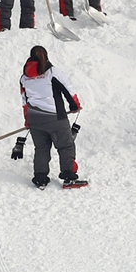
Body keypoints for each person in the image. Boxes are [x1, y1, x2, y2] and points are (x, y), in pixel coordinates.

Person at [15, 46, 87, 189]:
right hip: (55, 117)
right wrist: (75, 106)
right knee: (65, 146)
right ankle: (68, 177)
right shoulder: (52, 72)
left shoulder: (24, 78)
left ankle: (40, 178)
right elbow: (67, 89)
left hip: (35, 118)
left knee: (41, 148)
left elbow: (24, 100)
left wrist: (28, 119)